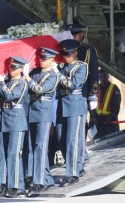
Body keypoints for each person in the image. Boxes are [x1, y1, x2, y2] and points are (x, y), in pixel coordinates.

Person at [23, 47, 59, 195]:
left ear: (52, 60)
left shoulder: (53, 76)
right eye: (41, 58)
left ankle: (40, 181)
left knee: (41, 147)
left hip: (44, 112)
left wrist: (26, 76)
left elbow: (39, 89)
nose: (42, 61)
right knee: (32, 148)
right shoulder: (35, 72)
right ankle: (46, 179)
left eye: (45, 58)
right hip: (33, 110)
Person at [55, 39, 88, 187]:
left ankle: (73, 172)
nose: (66, 57)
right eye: (64, 54)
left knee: (72, 140)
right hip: (62, 105)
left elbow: (73, 83)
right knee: (61, 138)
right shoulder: (61, 67)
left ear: (75, 53)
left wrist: (58, 75)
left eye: (69, 54)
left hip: (75, 105)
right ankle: (74, 166)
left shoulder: (81, 67)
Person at [0, 56, 28, 198]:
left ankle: (16, 186)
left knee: (14, 154)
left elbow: (11, 97)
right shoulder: (6, 82)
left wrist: (2, 84)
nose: (11, 69)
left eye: (14, 68)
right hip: (4, 119)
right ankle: (0, 184)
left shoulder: (22, 83)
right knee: (1, 154)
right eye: (10, 67)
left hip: (16, 120)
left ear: (21, 69)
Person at [67, 23, 99, 169]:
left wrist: (93, 95)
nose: (74, 37)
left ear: (82, 34)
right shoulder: (64, 50)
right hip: (66, 92)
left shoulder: (88, 50)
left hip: (83, 91)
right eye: (71, 34)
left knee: (81, 124)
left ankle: (81, 152)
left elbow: (94, 73)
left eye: (76, 34)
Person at [90, 69, 121, 139]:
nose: (103, 79)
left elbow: (116, 107)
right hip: (97, 121)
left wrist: (109, 120)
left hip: (110, 122)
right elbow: (90, 104)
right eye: (100, 77)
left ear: (108, 76)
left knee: (113, 143)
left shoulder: (114, 88)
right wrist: (94, 118)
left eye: (104, 76)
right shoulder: (95, 88)